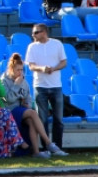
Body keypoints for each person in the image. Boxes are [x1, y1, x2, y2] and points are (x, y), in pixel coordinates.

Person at [2, 52, 60, 158]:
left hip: (21, 110)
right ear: (11, 70)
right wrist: (16, 85)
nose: (20, 72)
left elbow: (28, 97)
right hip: (9, 110)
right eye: (17, 70)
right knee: (33, 113)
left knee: (32, 121)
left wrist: (27, 104)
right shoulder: (4, 81)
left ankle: (36, 152)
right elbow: (7, 99)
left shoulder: (24, 81)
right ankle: (48, 143)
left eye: (21, 70)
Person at [24, 23, 68, 153]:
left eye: (36, 32)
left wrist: (53, 69)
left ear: (44, 32)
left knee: (58, 119)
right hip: (40, 85)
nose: (33, 35)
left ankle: (58, 147)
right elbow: (31, 66)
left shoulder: (57, 44)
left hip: (56, 85)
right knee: (42, 119)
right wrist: (42, 68)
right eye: (33, 33)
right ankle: (46, 147)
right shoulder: (32, 47)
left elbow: (64, 62)